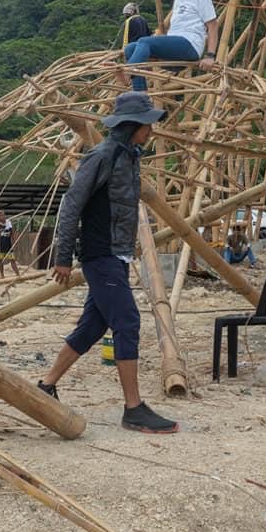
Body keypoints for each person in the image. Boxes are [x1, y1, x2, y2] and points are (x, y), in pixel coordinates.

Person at [38, 92, 178, 433]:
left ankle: (45, 386)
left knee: (93, 326)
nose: (152, 131)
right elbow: (71, 205)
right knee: (127, 321)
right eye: (148, 125)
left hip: (114, 253)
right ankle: (133, 408)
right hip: (100, 253)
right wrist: (63, 257)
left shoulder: (129, 156)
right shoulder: (101, 156)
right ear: (134, 126)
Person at [119, 0, 219, 91]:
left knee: (144, 42)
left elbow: (213, 26)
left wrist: (210, 56)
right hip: (175, 52)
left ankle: (127, 73)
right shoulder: (178, 0)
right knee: (130, 49)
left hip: (189, 47)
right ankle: (140, 96)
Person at [0, 210, 21, 278]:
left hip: (8, 245)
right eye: (1, 215)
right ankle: (2, 275)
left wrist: (14, 242)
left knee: (12, 260)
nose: (3, 216)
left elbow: (12, 234)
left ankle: (18, 274)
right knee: (0, 261)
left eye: (3, 215)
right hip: (0, 245)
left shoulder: (9, 224)